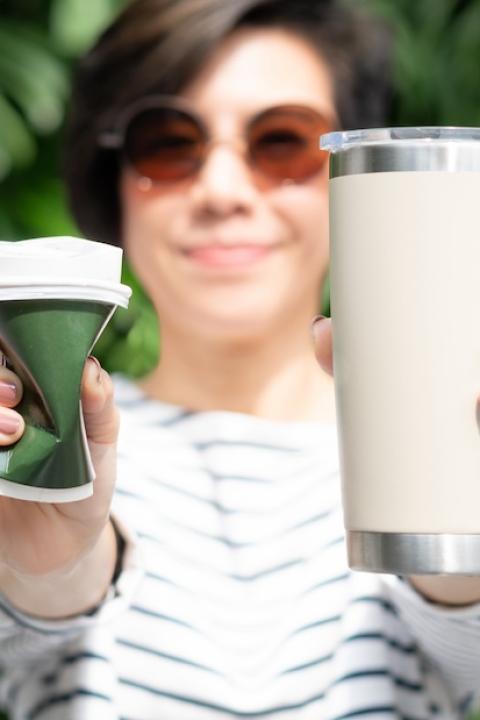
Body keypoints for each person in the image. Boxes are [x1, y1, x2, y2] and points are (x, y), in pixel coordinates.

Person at [0, 0, 480, 718]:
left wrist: (449, 511)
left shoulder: (449, 443)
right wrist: (51, 565)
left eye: (282, 142)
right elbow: (23, 637)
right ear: (115, 187)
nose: (222, 192)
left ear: (354, 180)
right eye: (168, 143)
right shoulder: (44, 443)